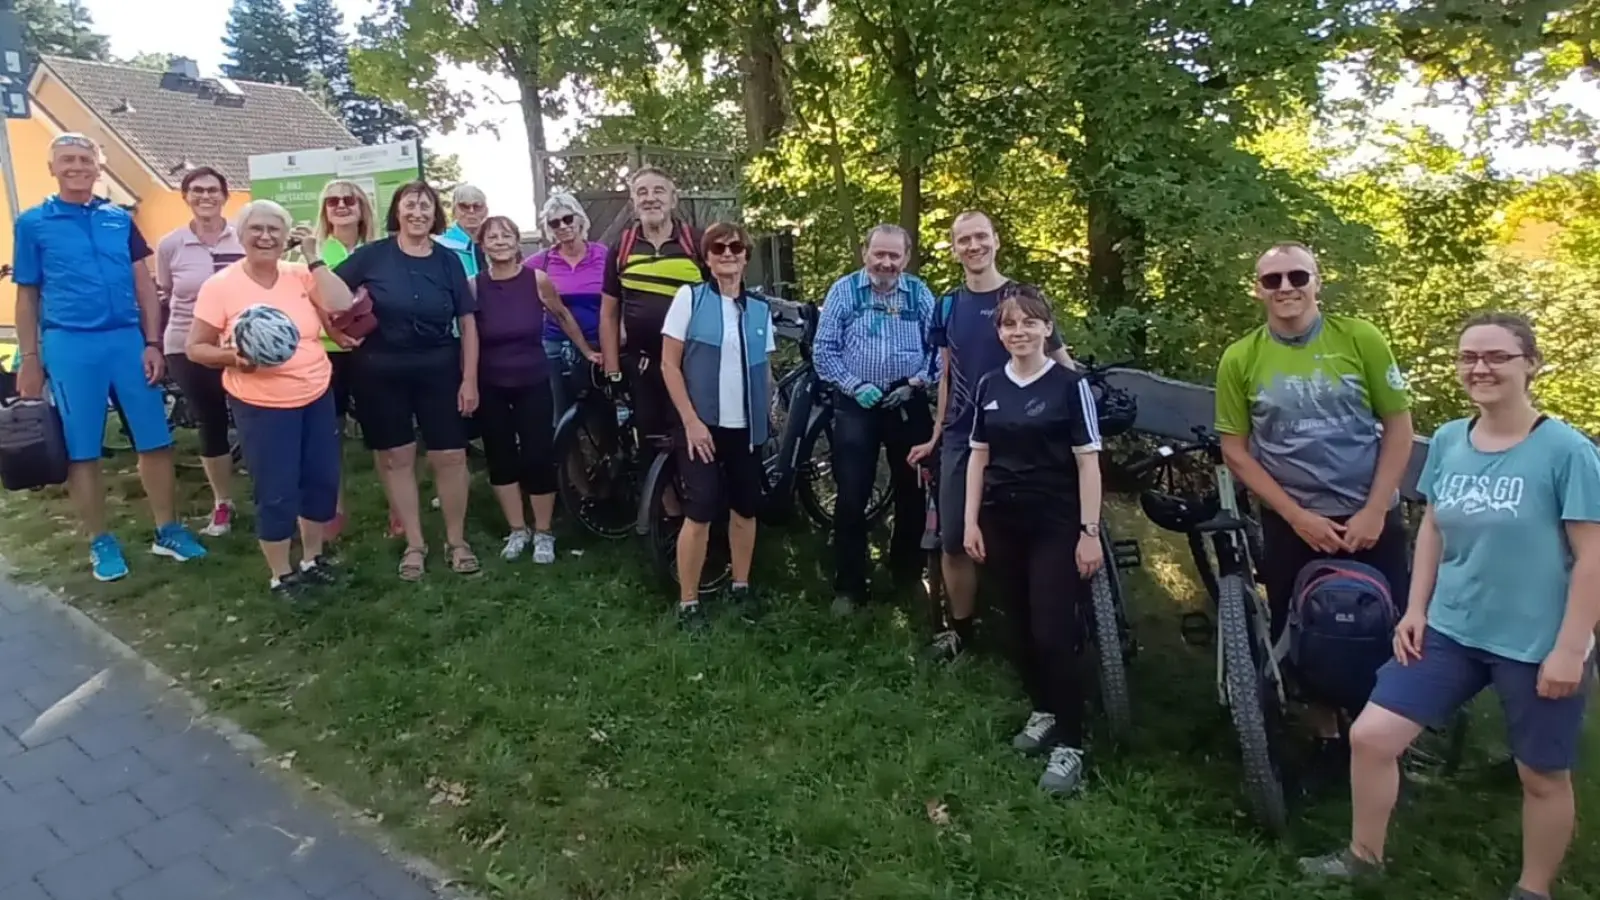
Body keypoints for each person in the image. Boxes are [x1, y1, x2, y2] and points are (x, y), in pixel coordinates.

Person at [1299, 312, 1599, 900]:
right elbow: (1432, 525)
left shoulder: (1568, 451)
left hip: (1538, 640)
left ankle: (1532, 890)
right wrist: (1416, 609)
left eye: (1496, 357)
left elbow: (1593, 556)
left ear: (1530, 365)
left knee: (1540, 775)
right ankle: (1364, 857)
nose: (1479, 368)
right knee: (1372, 736)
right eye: (1469, 358)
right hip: (1452, 629)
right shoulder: (1450, 442)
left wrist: (1571, 648)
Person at [1214, 241, 1415, 773]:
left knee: (1388, 625)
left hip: (1370, 513)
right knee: (1303, 629)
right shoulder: (1241, 357)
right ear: (1257, 289)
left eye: (1296, 275)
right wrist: (1295, 516)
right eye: (1273, 279)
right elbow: (1235, 448)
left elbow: (1399, 427)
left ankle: (1383, 738)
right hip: (1293, 521)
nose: (1286, 288)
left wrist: (1374, 510)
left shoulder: (1360, 339)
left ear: (1317, 281)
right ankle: (1327, 739)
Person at [11, 133, 207, 580]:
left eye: (86, 160)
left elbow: (143, 284)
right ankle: (101, 541)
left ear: (99, 168)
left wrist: (153, 342)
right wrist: (30, 357)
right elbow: (27, 296)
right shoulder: (33, 223)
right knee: (82, 451)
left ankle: (168, 530)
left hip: (127, 341)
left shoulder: (119, 218)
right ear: (53, 168)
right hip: (70, 344)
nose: (78, 167)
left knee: (155, 440)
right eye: (68, 160)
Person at [908, 210, 1073, 660]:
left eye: (981, 237)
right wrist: (937, 434)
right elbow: (946, 373)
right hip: (963, 435)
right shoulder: (947, 306)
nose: (974, 246)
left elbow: (1059, 359)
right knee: (954, 538)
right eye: (964, 239)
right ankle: (962, 631)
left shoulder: (1024, 297)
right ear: (954, 247)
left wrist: (1082, 416)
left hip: (1028, 432)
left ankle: (1040, 630)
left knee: (1030, 532)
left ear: (996, 241)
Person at [962, 284, 1104, 795]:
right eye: (1009, 325)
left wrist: (1089, 532)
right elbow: (979, 454)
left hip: (1057, 522)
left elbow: (1089, 461)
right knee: (1017, 627)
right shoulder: (988, 384)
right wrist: (970, 520)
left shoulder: (1070, 386)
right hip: (1002, 518)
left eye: (1028, 323)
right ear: (999, 334)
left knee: (1051, 631)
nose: (1018, 332)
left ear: (1047, 328)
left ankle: (1072, 742)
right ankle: (1042, 710)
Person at [186, 201, 354, 595]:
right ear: (241, 236)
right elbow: (196, 348)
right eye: (256, 229)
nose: (265, 237)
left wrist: (314, 257)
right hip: (262, 404)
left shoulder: (299, 274)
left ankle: (312, 560)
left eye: (274, 230)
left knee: (320, 481)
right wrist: (233, 357)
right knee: (276, 489)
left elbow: (341, 304)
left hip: (314, 393)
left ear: (286, 236)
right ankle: (281, 574)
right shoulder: (221, 286)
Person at [335, 181, 480, 581]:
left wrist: (469, 380)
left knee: (450, 455)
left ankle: (457, 540)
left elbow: (467, 322)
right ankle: (415, 543)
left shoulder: (448, 260)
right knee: (396, 457)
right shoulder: (371, 256)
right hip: (380, 370)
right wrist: (334, 333)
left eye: (425, 206)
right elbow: (323, 292)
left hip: (440, 367)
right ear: (396, 211)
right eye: (410, 205)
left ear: (436, 215)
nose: (418, 212)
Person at [813, 224, 938, 616]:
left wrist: (918, 381)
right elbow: (823, 350)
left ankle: (905, 571)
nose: (885, 262)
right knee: (851, 493)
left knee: (913, 489)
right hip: (856, 401)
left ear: (906, 257)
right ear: (865, 252)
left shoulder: (919, 294)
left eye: (894, 256)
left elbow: (939, 350)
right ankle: (849, 586)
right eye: (878, 254)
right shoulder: (844, 291)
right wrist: (852, 385)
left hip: (906, 399)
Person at [659, 222, 776, 632]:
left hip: (745, 429)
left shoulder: (759, 309)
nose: (728, 254)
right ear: (706, 258)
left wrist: (768, 419)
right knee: (702, 510)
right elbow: (669, 364)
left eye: (736, 247)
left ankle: (741, 587)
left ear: (746, 255)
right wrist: (691, 422)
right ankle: (688, 602)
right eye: (718, 248)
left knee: (745, 507)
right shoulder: (689, 299)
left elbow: (763, 372)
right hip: (701, 426)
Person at [475, 215, 600, 563]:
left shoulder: (537, 280)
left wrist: (587, 350)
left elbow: (561, 315)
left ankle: (543, 532)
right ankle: (517, 530)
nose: (499, 241)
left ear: (518, 242)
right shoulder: (475, 286)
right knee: (501, 458)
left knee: (537, 456)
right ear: (482, 244)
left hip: (532, 379)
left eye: (506, 235)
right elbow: (467, 336)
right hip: (491, 383)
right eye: (492, 236)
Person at [154, 166, 246, 537]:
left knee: (252, 419)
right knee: (211, 422)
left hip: (239, 344)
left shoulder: (243, 238)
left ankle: (273, 495)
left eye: (212, 190)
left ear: (225, 196)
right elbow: (164, 292)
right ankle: (223, 503)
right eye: (197, 190)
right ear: (186, 197)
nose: (205, 196)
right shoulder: (171, 244)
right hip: (186, 345)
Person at [599, 166, 706, 444]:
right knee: (651, 443)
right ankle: (662, 490)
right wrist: (612, 369)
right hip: (643, 365)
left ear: (673, 199)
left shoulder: (696, 243)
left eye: (658, 190)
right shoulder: (621, 248)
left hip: (691, 365)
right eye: (641, 192)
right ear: (633, 203)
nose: (650, 198)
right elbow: (609, 312)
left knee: (691, 440)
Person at [309, 178, 378, 541]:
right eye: (332, 200)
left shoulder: (379, 248)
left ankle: (398, 507)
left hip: (374, 348)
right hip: (329, 352)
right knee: (329, 433)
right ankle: (334, 508)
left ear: (361, 206)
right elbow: (310, 297)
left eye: (348, 199)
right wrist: (335, 333)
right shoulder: (316, 249)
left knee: (384, 433)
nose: (341, 205)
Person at [525, 191, 606, 419]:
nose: (563, 226)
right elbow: (513, 277)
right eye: (555, 222)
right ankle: (565, 454)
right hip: (555, 343)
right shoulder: (541, 261)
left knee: (602, 408)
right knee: (559, 410)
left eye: (568, 218)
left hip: (597, 342)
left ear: (579, 218)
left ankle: (609, 454)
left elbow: (617, 295)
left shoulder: (603, 255)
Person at [435, 184, 488, 279]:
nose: (471, 211)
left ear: (486, 211)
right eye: (464, 206)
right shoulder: (440, 246)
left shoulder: (496, 243)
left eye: (477, 206)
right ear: (454, 211)